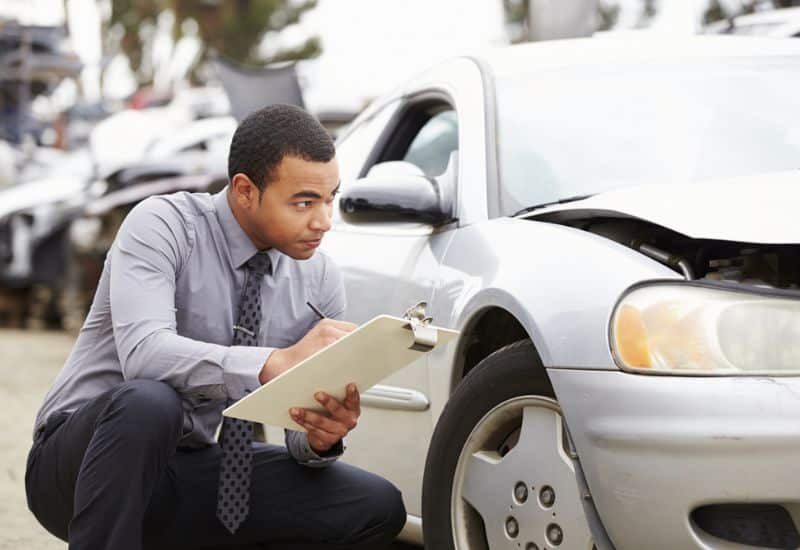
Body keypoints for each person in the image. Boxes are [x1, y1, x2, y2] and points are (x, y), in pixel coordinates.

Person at [25, 104, 407, 550]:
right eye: (304, 202)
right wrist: (271, 364)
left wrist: (320, 435)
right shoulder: (163, 225)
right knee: (150, 403)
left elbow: (295, 433)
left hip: (187, 469)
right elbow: (144, 355)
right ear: (245, 191)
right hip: (77, 466)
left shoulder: (318, 278)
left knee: (375, 505)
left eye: (329, 199)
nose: (323, 221)